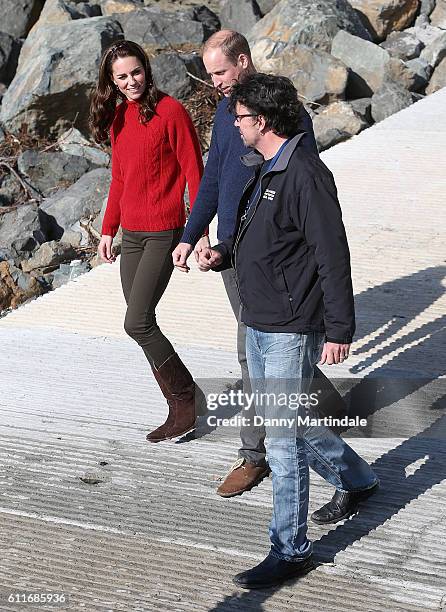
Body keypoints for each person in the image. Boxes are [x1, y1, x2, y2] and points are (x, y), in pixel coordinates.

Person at [197, 73, 379, 589]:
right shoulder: (265, 168)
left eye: (240, 118)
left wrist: (341, 327)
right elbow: (260, 233)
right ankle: (357, 478)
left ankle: (289, 549)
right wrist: (221, 253)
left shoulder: (304, 173)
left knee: (280, 441)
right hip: (258, 317)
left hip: (288, 326)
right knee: (289, 421)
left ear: (264, 121)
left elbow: (331, 254)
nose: (234, 126)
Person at [171, 30, 362, 509]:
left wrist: (339, 326)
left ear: (243, 61)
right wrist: (194, 236)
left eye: (219, 71)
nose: (213, 82)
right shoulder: (226, 115)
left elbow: (314, 219)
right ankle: (340, 454)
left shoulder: (282, 118)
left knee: (260, 370)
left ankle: (256, 457)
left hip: (279, 266)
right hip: (236, 255)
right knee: (262, 363)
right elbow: (215, 180)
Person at [89, 40, 204, 443]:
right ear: (112, 81)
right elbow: (119, 178)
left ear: (147, 69)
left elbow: (195, 173)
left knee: (136, 321)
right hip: (132, 236)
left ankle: (187, 401)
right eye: (121, 76)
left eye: (136, 72)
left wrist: (198, 234)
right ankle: (179, 405)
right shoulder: (119, 117)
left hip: (164, 231)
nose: (131, 81)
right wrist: (108, 230)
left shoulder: (171, 111)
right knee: (142, 325)